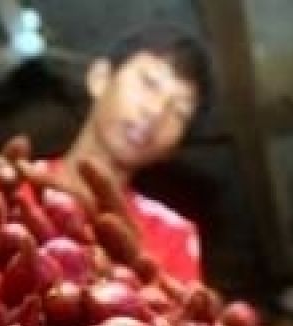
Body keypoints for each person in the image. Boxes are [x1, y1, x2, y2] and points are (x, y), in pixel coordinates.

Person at [17, 23, 212, 284]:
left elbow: (185, 322)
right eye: (149, 83)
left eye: (178, 111)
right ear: (100, 78)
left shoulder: (174, 236)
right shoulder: (7, 186)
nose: (156, 112)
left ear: (175, 147)